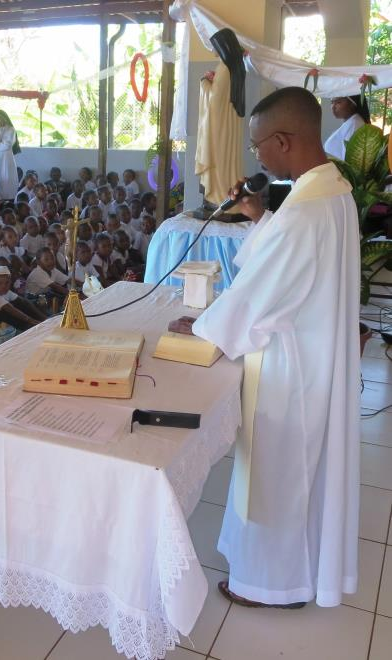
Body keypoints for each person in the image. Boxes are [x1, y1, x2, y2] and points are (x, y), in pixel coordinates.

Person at [168, 87, 359, 609]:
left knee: (277, 474)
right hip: (315, 355)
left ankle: (271, 584)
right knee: (299, 472)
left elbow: (261, 295)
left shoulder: (305, 211)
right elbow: (289, 264)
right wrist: (259, 216)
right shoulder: (331, 191)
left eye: (258, 146)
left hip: (291, 367)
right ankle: (294, 575)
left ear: (283, 139)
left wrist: (205, 326)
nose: (256, 156)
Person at [324, 95, 371, 160]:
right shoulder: (351, 123)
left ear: (352, 104)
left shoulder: (355, 125)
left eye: (338, 102)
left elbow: (349, 161)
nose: (333, 107)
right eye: (332, 102)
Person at [0, 110, 19, 200]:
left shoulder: (11, 129)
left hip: (6, 158)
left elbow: (7, 145)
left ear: (4, 118)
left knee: (6, 177)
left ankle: (7, 198)